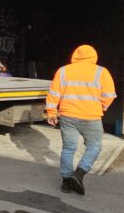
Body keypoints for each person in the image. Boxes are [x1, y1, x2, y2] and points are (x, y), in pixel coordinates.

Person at [45, 45, 116, 195]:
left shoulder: (63, 71)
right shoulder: (101, 72)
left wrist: (51, 112)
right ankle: (79, 174)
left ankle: (66, 181)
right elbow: (109, 95)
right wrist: (101, 107)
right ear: (94, 57)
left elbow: (53, 93)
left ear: (75, 56)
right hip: (92, 118)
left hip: (68, 116)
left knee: (68, 148)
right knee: (94, 146)